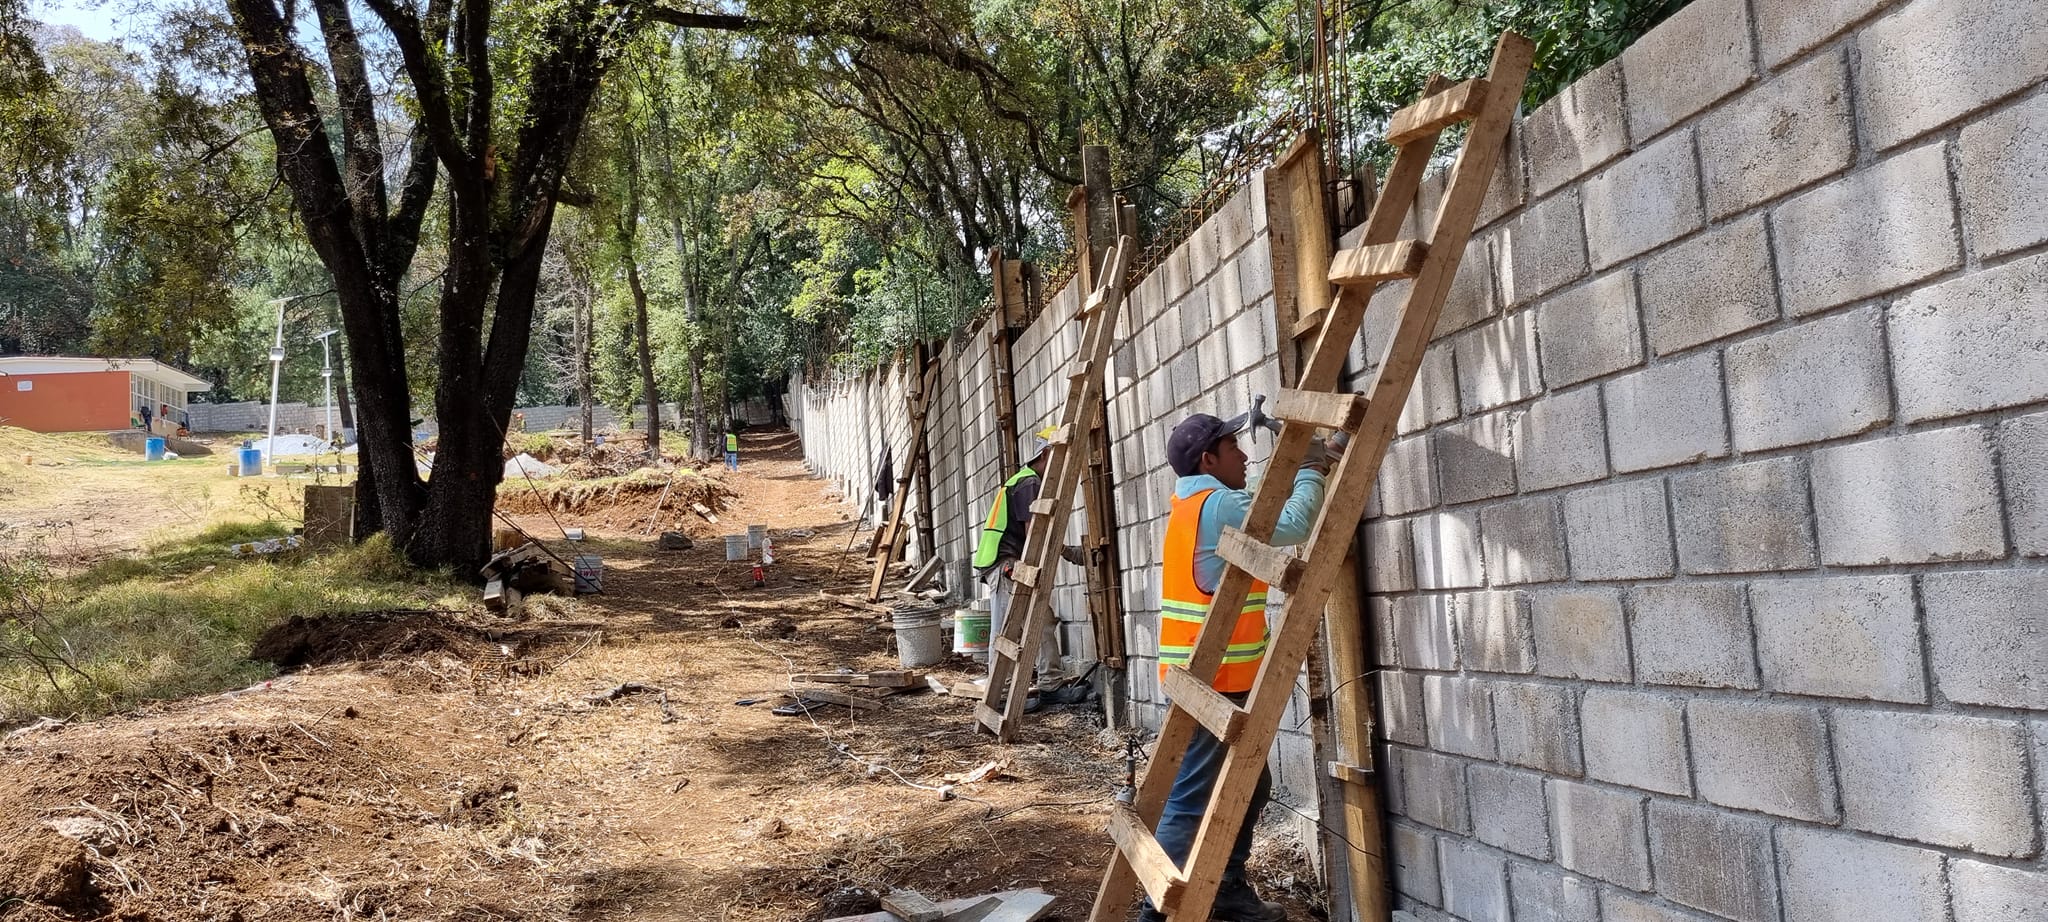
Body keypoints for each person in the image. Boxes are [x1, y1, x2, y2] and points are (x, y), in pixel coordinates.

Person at [1142, 411, 1337, 922]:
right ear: (1209, 459)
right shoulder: (1219, 504)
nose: (1246, 456)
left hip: (1201, 675)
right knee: (1190, 800)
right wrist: (1312, 470)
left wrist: (1315, 462)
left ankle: (1225, 890)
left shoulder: (1191, 502)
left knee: (1252, 783)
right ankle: (1155, 911)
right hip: (1215, 680)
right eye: (1233, 448)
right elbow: (1292, 523)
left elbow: (1265, 513)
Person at [971, 426, 1083, 693]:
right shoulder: (1029, 482)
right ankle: (1001, 691)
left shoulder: (1024, 480)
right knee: (1006, 631)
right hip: (1006, 565)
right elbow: (1034, 533)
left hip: (1012, 562)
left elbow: (1036, 536)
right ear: (1045, 454)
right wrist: (1068, 553)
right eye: (1059, 457)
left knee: (1043, 621)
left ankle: (1051, 684)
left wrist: (1065, 552)